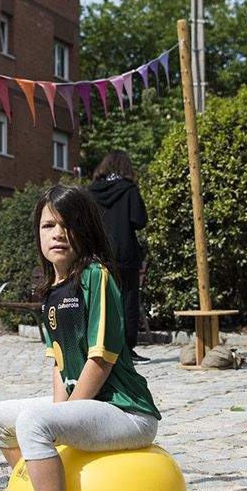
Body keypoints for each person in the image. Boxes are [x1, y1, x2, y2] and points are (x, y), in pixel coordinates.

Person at [0, 184, 160, 491]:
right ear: (38, 235)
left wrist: (58, 421)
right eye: (48, 225)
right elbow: (61, 369)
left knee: (35, 423)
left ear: (86, 230)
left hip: (127, 413)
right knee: (0, 418)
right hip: (90, 406)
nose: (57, 233)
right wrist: (59, 414)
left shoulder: (95, 277)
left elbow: (100, 359)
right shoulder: (51, 293)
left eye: (67, 224)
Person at [88, 151, 148, 359]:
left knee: (102, 301)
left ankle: (102, 347)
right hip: (126, 254)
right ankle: (127, 349)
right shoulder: (129, 190)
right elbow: (140, 220)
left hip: (99, 254)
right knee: (128, 300)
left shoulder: (91, 192)